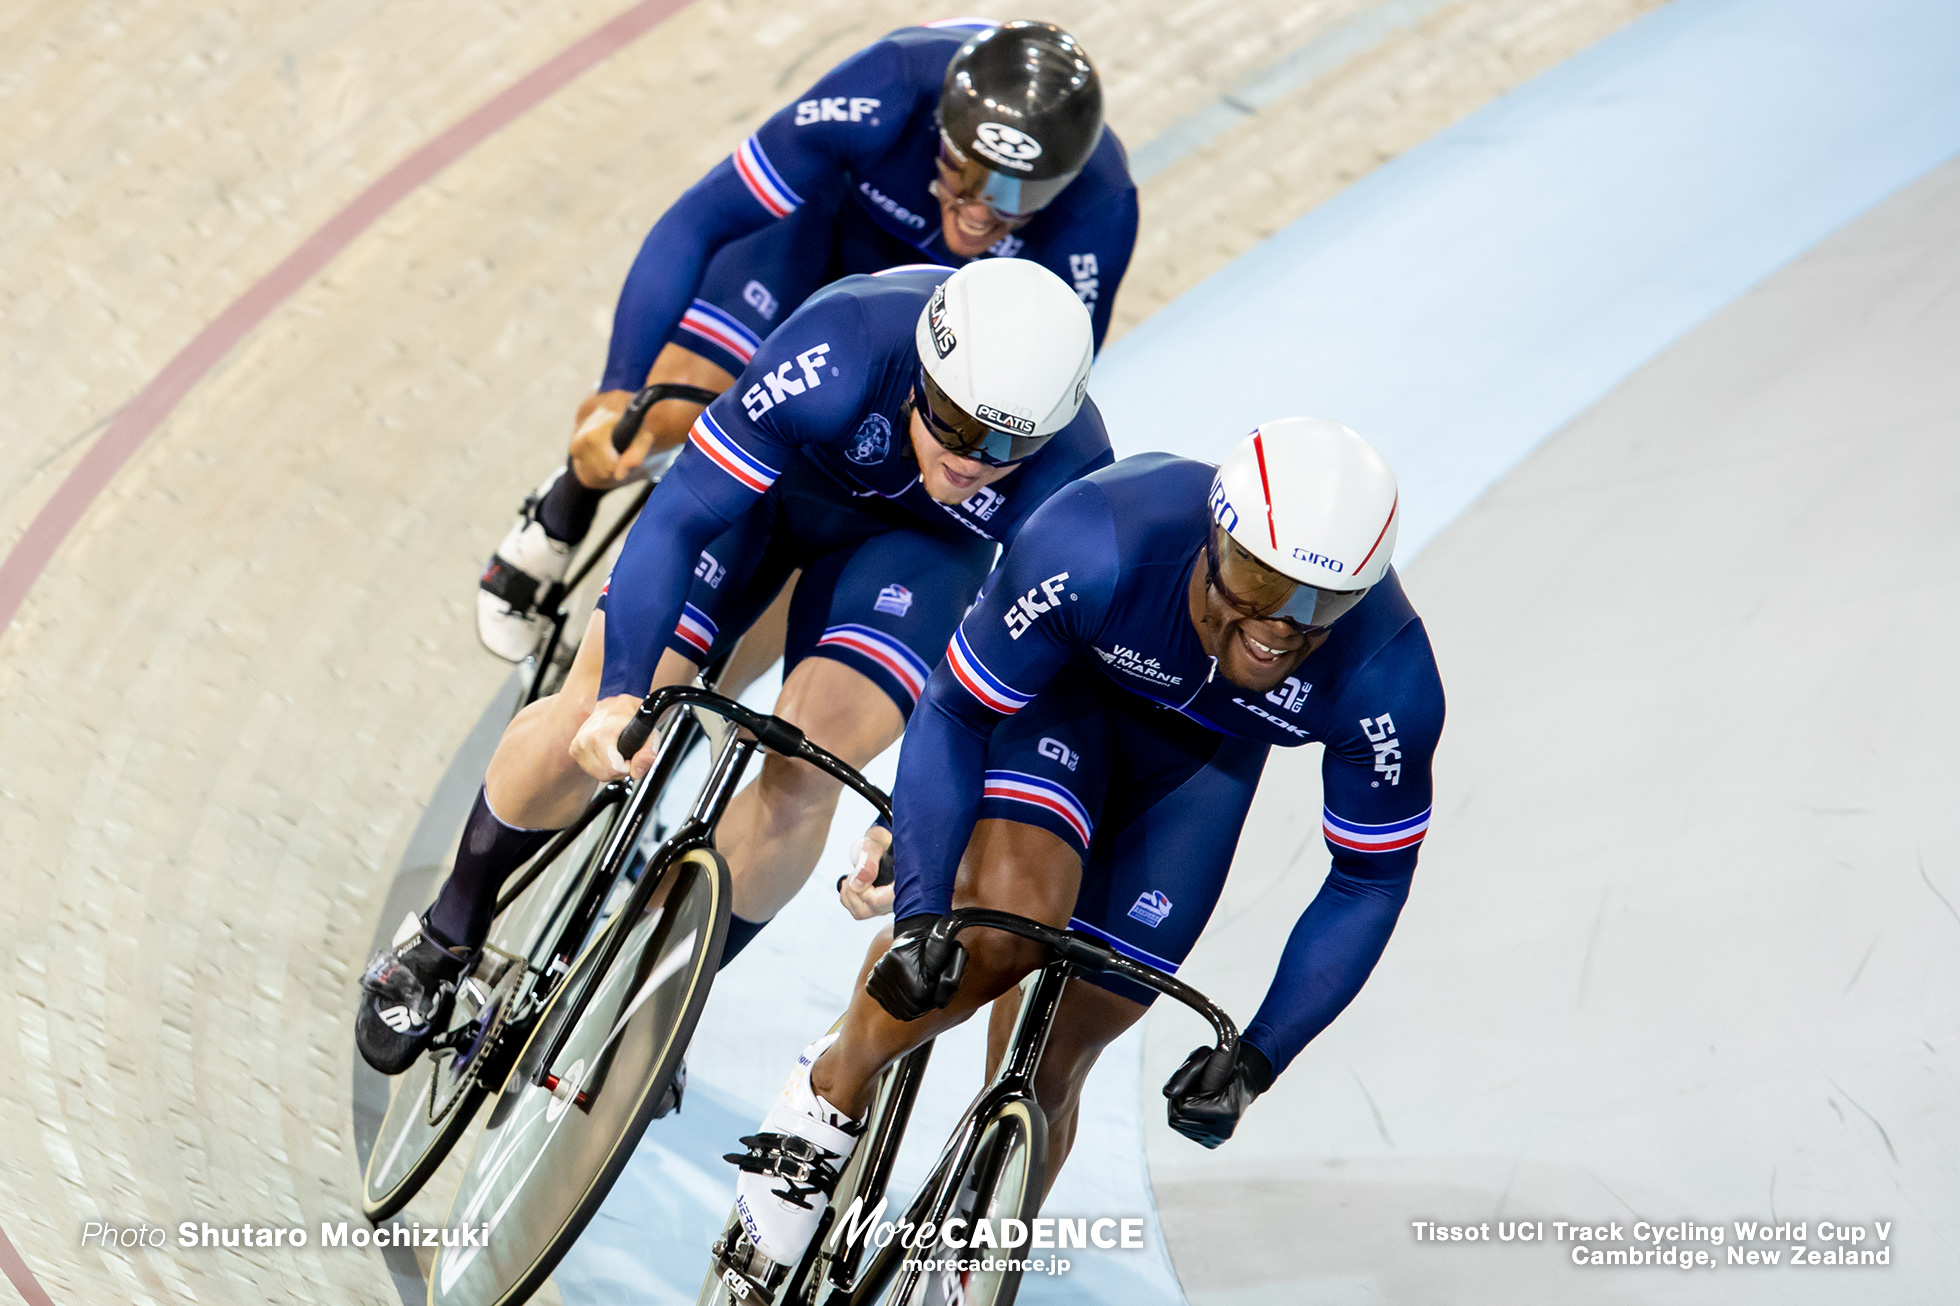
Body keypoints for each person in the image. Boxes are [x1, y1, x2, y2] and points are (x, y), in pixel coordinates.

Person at [356, 258, 1115, 1074]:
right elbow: (679, 517)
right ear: (922, 373)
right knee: (604, 703)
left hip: (915, 554)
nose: (972, 461)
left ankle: (648, 998)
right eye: (956, 425)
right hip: (768, 497)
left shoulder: (1073, 474)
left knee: (809, 769)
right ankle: (446, 932)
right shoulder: (847, 347)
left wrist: (916, 824)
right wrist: (617, 699)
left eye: (1009, 445)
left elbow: (1021, 679)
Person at [724, 420, 1446, 1271]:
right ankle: (829, 1094)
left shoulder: (1388, 683)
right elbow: (958, 710)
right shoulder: (1099, 539)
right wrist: (923, 917)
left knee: (1071, 1047)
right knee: (1004, 931)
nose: (1279, 625)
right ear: (1217, 537)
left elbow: (1368, 882)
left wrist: (1257, 1057)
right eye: (1257, 579)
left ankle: (974, 1252)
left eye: (1319, 605)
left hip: (1199, 772)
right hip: (1067, 700)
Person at [477, 18, 1139, 659]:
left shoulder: (1098, 212)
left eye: (1014, 201)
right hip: (816, 242)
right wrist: (620, 388)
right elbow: (701, 218)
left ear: (1061, 188)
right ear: (939, 130)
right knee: (671, 410)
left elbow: (1043, 386)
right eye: (964, 175)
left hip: (933, 333)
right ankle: (564, 505)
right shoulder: (892, 85)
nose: (977, 213)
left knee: (865, 493)